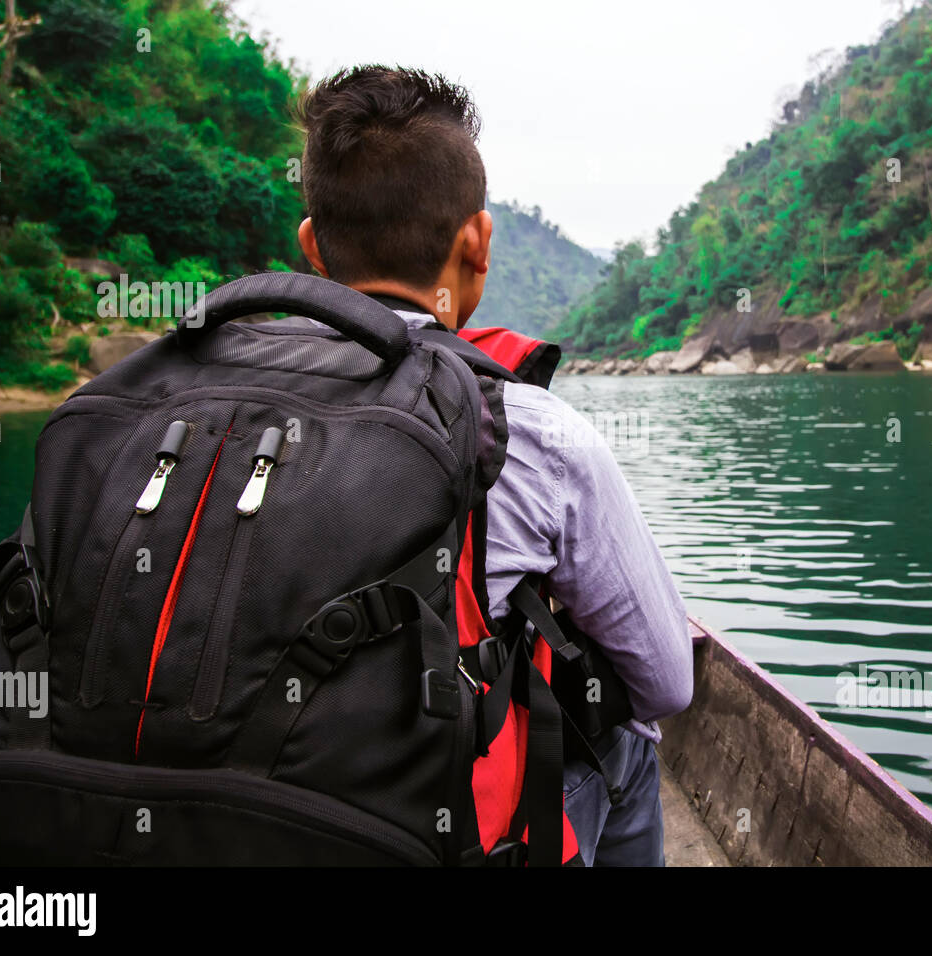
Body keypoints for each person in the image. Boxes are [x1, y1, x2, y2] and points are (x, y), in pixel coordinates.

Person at [292, 65, 693, 866]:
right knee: (631, 744)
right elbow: (668, 685)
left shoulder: (200, 403)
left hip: (256, 803)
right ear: (477, 241)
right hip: (431, 830)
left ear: (310, 248)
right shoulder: (532, 432)